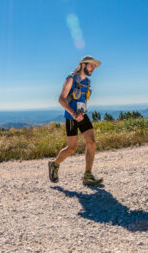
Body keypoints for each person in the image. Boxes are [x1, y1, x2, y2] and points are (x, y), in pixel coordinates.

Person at [48, 55, 103, 186]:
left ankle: (87, 176)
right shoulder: (70, 79)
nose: (93, 69)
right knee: (72, 148)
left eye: (94, 66)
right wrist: (73, 113)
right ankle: (54, 165)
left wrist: (81, 113)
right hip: (71, 117)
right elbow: (61, 99)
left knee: (92, 142)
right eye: (91, 66)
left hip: (82, 116)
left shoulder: (87, 82)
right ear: (83, 65)